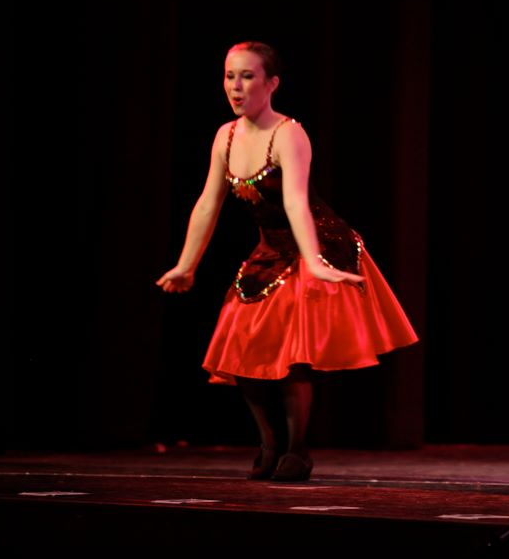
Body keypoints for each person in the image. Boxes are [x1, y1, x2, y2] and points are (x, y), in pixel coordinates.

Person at [156, 41, 419, 482]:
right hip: (270, 248)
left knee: (295, 354)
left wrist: (313, 262)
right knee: (241, 344)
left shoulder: (289, 134)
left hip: (315, 242)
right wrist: (186, 265)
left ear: (272, 83)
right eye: (230, 76)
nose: (236, 86)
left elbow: (296, 202)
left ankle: (297, 451)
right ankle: (269, 443)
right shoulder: (226, 136)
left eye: (248, 76)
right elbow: (208, 203)